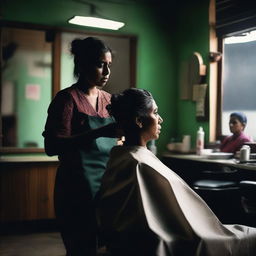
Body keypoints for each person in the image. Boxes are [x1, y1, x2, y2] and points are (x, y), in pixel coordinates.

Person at [96, 88, 256, 256]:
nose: (160, 119)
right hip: (187, 237)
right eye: (155, 112)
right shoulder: (138, 164)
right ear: (139, 121)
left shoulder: (124, 158)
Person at [42, 37, 122, 256]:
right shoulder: (67, 100)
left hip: (105, 187)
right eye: (100, 64)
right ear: (83, 65)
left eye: (109, 65)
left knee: (106, 246)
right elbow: (52, 146)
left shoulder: (110, 101)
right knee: (81, 248)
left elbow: (119, 139)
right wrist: (99, 132)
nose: (106, 71)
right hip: (75, 189)